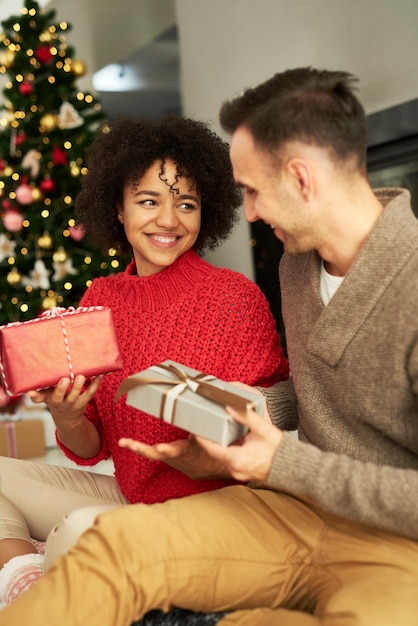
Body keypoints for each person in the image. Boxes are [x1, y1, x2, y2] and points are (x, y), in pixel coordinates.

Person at [2, 65, 418, 626]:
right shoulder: (298, 266)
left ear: (300, 179)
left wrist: (275, 456)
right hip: (290, 510)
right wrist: (225, 406)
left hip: (382, 538)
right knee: (107, 554)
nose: (245, 213)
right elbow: (305, 393)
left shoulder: (404, 280)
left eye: (250, 190)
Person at [0, 115, 288, 605]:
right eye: (149, 201)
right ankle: (24, 574)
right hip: (129, 496)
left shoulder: (235, 298)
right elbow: (89, 448)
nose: (169, 220)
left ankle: (38, 576)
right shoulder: (101, 296)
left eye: (186, 204)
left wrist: (217, 419)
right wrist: (66, 415)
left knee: (77, 532)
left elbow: (268, 425)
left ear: (206, 212)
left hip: (214, 512)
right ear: (118, 207)